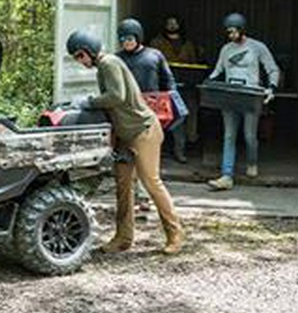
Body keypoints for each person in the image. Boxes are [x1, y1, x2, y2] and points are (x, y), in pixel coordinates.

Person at [66, 29, 184, 255]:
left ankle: (175, 234)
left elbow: (117, 97)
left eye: (80, 56)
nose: (80, 62)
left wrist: (87, 102)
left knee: (151, 183)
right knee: (123, 187)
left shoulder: (109, 63)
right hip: (126, 134)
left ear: (89, 51)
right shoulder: (104, 66)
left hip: (143, 130)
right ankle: (123, 237)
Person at [206, 13, 280, 191]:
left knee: (249, 135)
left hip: (250, 95)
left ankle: (252, 162)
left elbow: (272, 68)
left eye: (233, 32)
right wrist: (208, 81)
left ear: (241, 30)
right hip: (230, 95)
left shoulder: (257, 47)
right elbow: (218, 70)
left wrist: (272, 88)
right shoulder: (226, 49)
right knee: (229, 135)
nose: (230, 36)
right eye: (228, 33)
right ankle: (227, 175)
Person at [116, 18, 185, 163]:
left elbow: (168, 79)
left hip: (152, 105)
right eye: (123, 39)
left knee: (154, 140)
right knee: (129, 145)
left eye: (130, 38)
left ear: (138, 37)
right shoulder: (117, 59)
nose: (127, 42)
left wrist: (172, 98)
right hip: (128, 106)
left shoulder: (154, 55)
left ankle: (178, 153)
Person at [150, 15, 203, 160]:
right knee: (168, 118)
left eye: (175, 23)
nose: (172, 26)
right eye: (169, 23)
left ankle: (184, 146)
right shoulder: (156, 42)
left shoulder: (188, 44)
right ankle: (170, 151)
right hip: (165, 87)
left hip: (187, 87)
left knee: (188, 115)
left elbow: (194, 64)